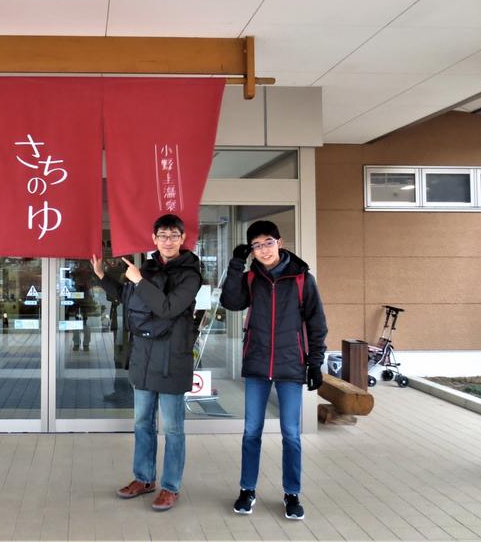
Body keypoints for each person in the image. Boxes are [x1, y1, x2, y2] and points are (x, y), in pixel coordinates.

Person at [91, 214, 202, 511]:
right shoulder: (148, 268)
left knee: (174, 428)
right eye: (162, 235)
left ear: (182, 239)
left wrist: (139, 280)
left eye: (173, 235)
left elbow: (167, 308)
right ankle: (144, 478)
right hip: (144, 356)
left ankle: (171, 486)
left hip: (172, 359)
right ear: (153, 239)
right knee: (142, 423)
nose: (167, 241)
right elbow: (129, 298)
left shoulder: (191, 274)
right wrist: (103, 276)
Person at [220, 220, 327, 520]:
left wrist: (315, 363)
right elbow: (230, 302)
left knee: (291, 434)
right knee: (251, 431)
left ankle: (291, 494)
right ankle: (247, 490)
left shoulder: (303, 279)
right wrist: (236, 265)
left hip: (291, 365)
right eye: (256, 245)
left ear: (279, 242)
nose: (263, 250)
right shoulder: (252, 277)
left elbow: (317, 323)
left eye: (268, 243)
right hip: (257, 364)